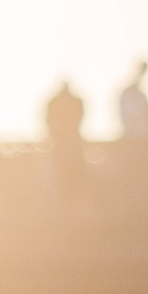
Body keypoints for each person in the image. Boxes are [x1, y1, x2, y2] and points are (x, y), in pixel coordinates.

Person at [114, 59, 148, 213]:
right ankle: (135, 210)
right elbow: (133, 118)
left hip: (142, 141)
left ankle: (143, 210)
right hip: (134, 141)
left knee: (143, 178)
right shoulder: (130, 93)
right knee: (135, 177)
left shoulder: (137, 93)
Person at [42, 79, 89, 209]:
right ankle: (67, 202)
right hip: (67, 144)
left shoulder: (55, 102)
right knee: (65, 176)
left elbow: (48, 120)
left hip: (65, 144)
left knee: (69, 176)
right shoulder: (75, 101)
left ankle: (67, 202)